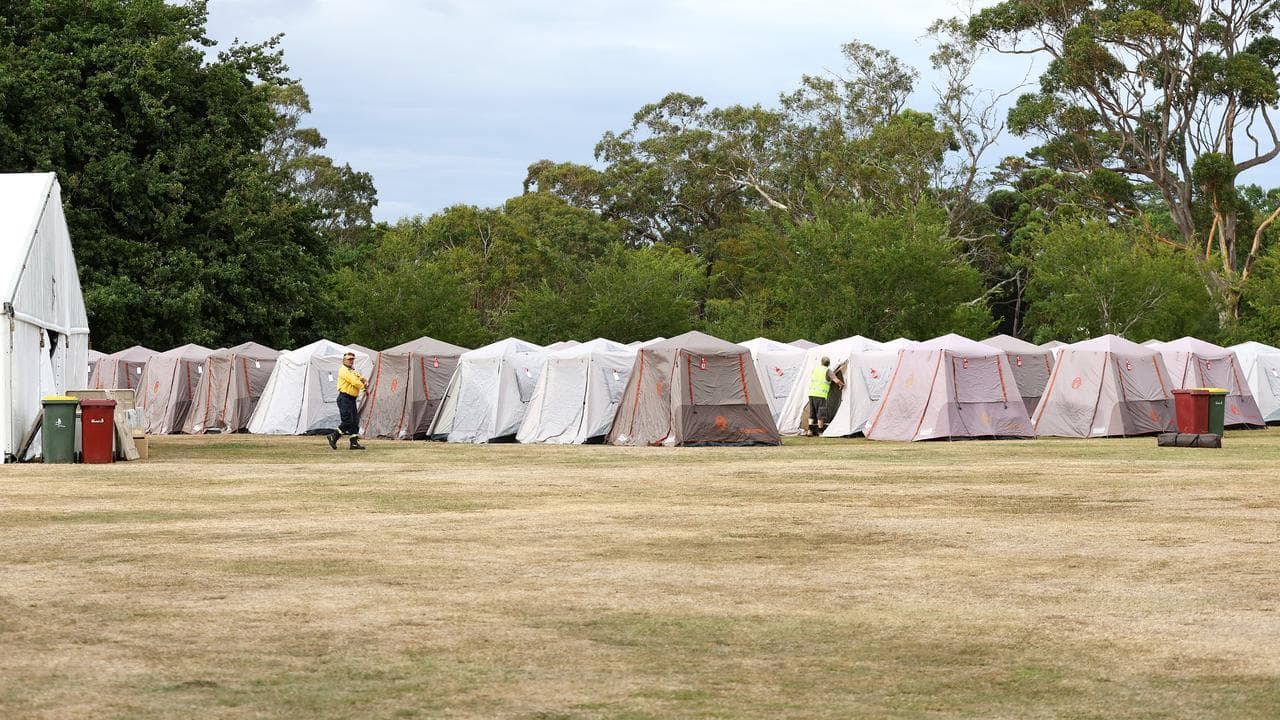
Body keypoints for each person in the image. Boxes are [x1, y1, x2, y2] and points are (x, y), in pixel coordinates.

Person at [328, 351, 368, 450]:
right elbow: (354, 381)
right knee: (348, 421)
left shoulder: (352, 370)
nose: (351, 361)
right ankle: (333, 436)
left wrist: (364, 380)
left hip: (351, 399)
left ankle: (354, 443)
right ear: (344, 360)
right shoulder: (343, 370)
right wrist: (364, 388)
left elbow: (359, 377)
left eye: (352, 359)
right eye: (349, 359)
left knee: (354, 422)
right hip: (344, 398)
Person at [806, 356, 844, 436]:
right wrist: (842, 384)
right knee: (821, 413)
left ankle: (810, 430)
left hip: (811, 393)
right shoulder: (828, 371)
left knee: (812, 413)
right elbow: (836, 380)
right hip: (821, 395)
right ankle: (820, 431)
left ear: (821, 362)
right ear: (829, 363)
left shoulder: (815, 369)